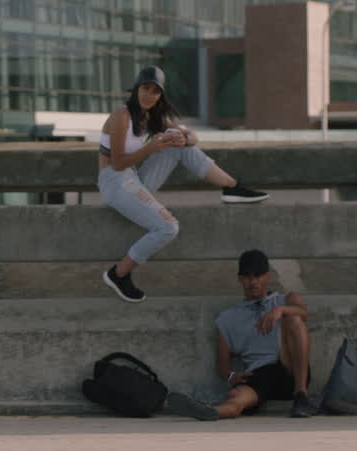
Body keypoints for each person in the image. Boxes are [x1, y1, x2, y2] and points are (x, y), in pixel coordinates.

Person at [98, 66, 267, 302]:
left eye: (155, 92)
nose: (149, 95)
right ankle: (118, 274)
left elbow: (193, 137)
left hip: (132, 178)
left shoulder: (151, 117)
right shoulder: (121, 116)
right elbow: (116, 163)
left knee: (179, 146)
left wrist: (184, 137)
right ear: (137, 89)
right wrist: (150, 148)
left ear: (161, 96)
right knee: (168, 227)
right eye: (145, 89)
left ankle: (231, 187)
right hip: (114, 182)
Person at [166, 249, 314, 420]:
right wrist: (230, 376)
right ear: (239, 278)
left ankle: (301, 395)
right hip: (258, 374)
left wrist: (279, 310)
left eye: (258, 276)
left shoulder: (285, 300)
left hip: (288, 369)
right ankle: (212, 411)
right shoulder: (228, 318)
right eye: (247, 277)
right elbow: (222, 363)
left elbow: (303, 313)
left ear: (267, 276)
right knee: (236, 398)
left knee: (294, 319)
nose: (253, 282)